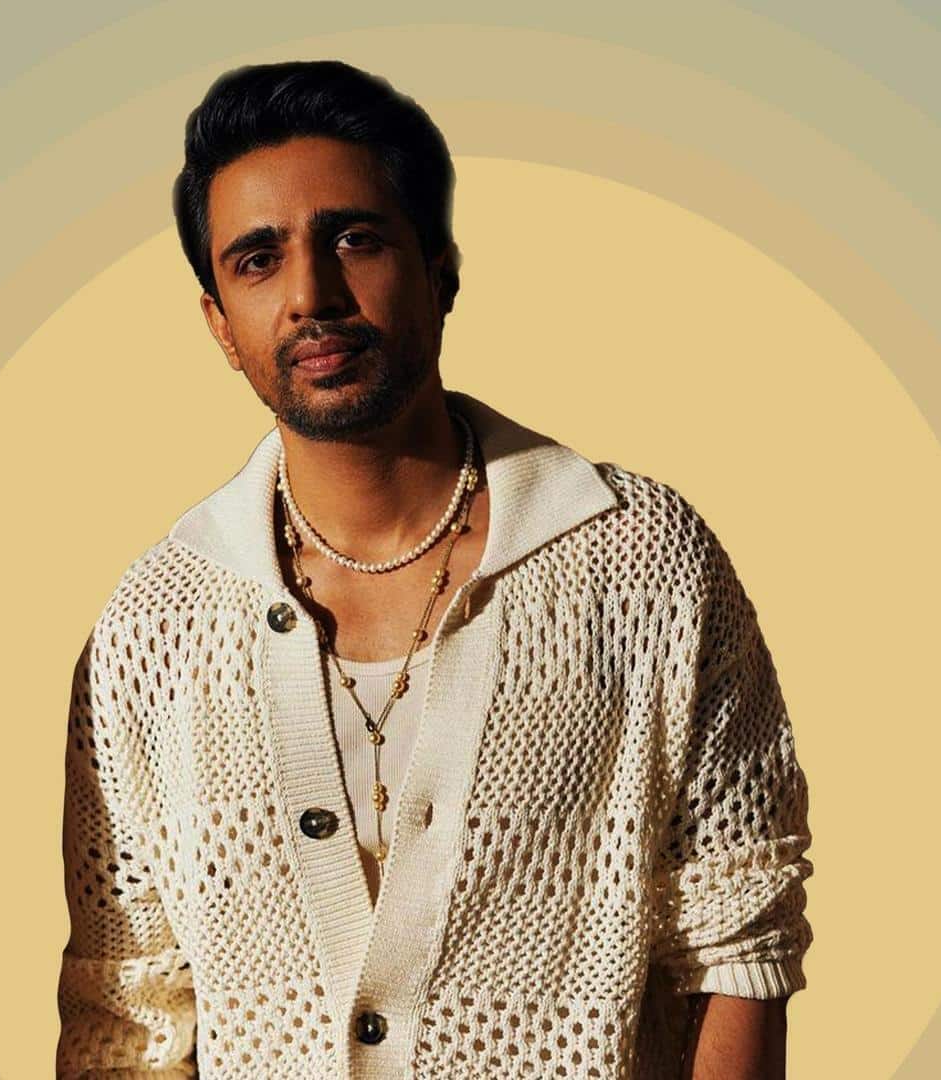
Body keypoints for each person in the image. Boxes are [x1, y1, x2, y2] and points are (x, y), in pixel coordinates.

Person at [55, 59, 813, 1079]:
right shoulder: (155, 626)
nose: (311, 295)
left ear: (441, 270)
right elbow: (126, 1010)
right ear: (219, 325)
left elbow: (737, 941)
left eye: (354, 239)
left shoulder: (644, 565)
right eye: (258, 260)